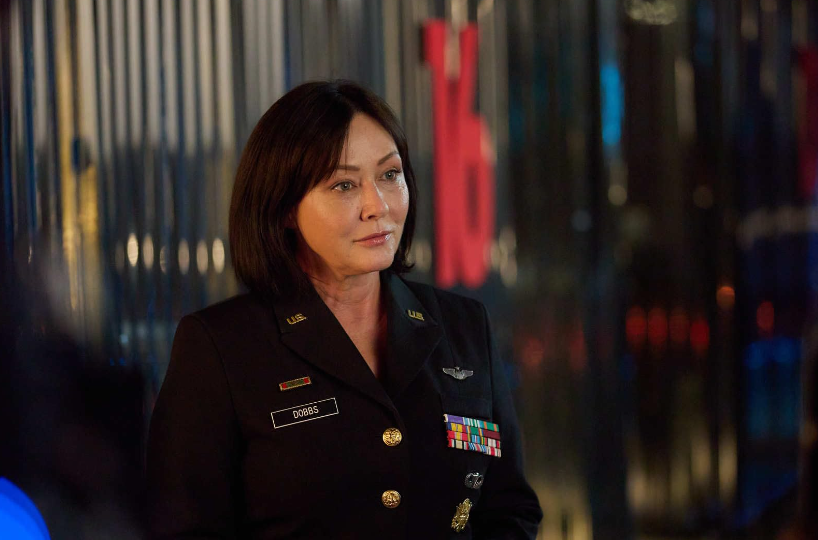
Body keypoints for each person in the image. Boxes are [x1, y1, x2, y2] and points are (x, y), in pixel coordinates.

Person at [146, 80, 542, 539]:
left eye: (390, 175)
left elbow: (510, 509)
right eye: (344, 185)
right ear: (284, 208)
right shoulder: (220, 346)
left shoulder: (463, 326)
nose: (378, 206)